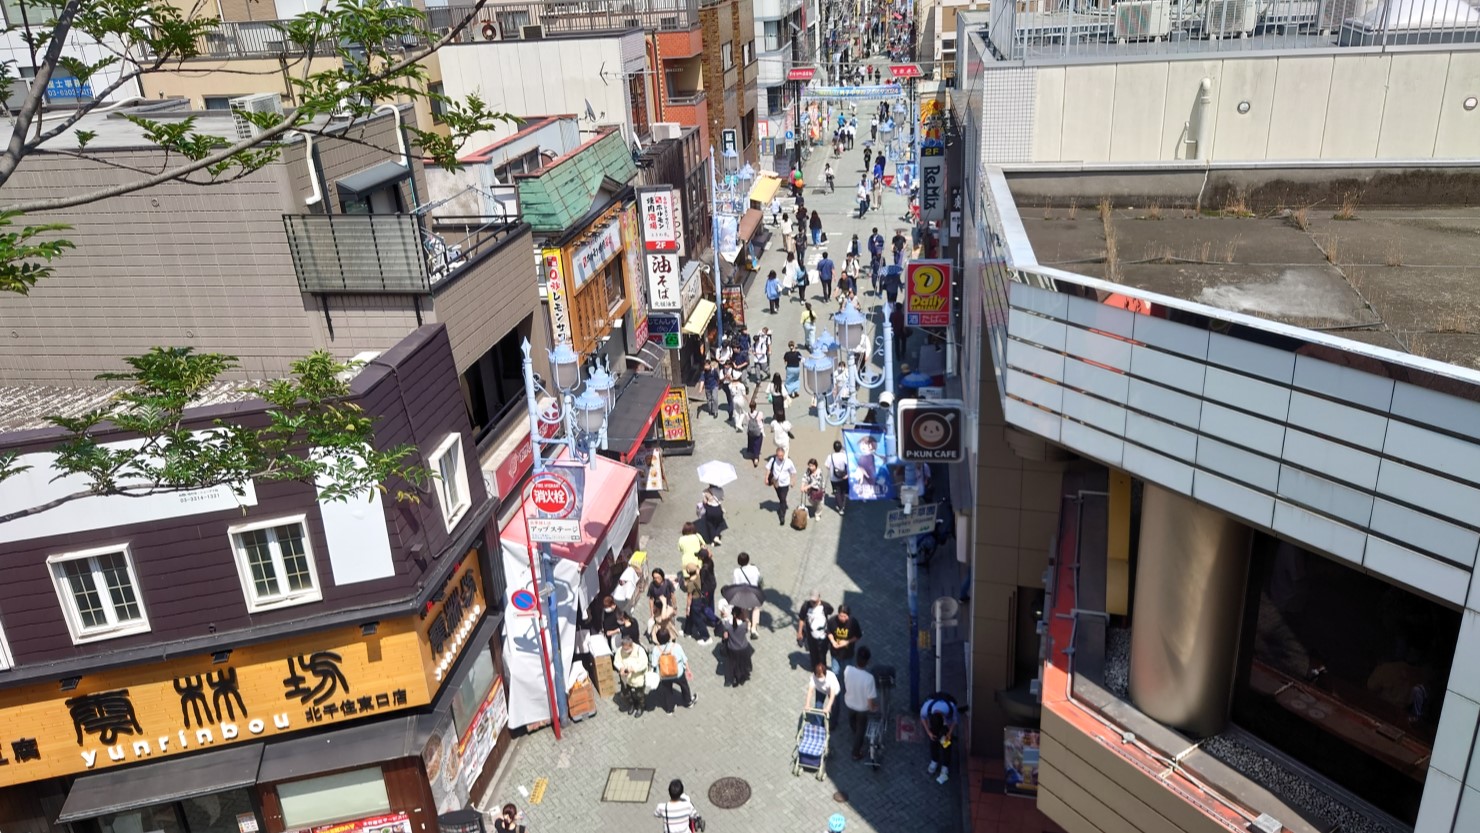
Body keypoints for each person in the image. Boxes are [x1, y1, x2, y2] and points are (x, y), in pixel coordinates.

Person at [844, 646, 879, 759]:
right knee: (861, 729)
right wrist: (874, 708)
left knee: (852, 721)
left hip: (849, 703)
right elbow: (870, 700)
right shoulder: (869, 678)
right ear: (867, 661)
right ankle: (856, 752)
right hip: (862, 709)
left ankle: (855, 732)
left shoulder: (847, 670)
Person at [651, 630, 697, 715]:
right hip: (678, 673)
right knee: (684, 686)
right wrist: (688, 670)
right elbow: (684, 659)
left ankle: (670, 709)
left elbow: (653, 664)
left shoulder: (655, 650)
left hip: (664, 675)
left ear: (658, 639)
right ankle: (688, 702)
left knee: (668, 691)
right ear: (669, 637)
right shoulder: (676, 646)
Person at [920, 691, 959, 784]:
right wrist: (929, 733)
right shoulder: (926, 708)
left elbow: (954, 721)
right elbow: (922, 718)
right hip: (936, 723)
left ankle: (945, 765)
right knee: (933, 739)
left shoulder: (951, 708)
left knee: (946, 743)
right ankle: (934, 760)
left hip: (946, 724)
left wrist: (949, 733)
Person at [612, 632, 649, 716]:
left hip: (637, 678)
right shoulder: (620, 651)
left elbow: (644, 663)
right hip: (626, 678)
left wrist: (633, 669)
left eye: (627, 650)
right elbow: (616, 661)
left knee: (639, 695)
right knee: (625, 694)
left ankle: (641, 707)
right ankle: (632, 704)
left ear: (631, 646)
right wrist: (620, 668)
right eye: (624, 649)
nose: (626, 652)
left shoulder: (640, 650)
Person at [797, 591, 835, 669]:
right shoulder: (805, 606)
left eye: (815, 601)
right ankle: (815, 669)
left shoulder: (825, 606)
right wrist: (800, 632)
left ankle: (823, 669)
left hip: (823, 636)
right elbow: (801, 618)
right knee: (813, 653)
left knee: (822, 654)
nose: (813, 603)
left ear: (819, 598)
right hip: (811, 637)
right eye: (812, 601)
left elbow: (831, 611)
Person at [717, 606, 753, 687]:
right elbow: (747, 630)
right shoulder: (744, 625)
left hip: (732, 648)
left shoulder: (727, 625)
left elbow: (725, 636)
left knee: (733, 664)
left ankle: (734, 678)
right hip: (743, 647)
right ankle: (742, 677)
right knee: (742, 663)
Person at [849, 433, 892, 499]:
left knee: (870, 487)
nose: (862, 446)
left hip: (872, 477)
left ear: (871, 446)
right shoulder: (860, 456)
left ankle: (869, 494)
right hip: (864, 477)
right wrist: (858, 468)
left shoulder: (874, 457)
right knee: (863, 485)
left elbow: (880, 464)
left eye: (864, 444)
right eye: (862, 444)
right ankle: (864, 494)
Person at [765, 446, 798, 525]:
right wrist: (766, 478)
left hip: (785, 484)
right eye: (779, 456)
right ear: (776, 455)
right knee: (780, 497)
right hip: (776, 483)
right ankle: (782, 505)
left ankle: (782, 515)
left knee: (783, 498)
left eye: (782, 456)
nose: (780, 457)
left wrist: (793, 481)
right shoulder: (773, 460)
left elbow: (793, 472)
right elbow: (768, 468)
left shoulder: (788, 462)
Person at [826, 604, 863, 675]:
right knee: (835, 672)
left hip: (848, 654)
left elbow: (858, 636)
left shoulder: (853, 622)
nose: (842, 618)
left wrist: (847, 642)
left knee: (848, 673)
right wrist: (832, 641)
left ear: (848, 615)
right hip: (835, 653)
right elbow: (828, 631)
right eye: (840, 616)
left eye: (845, 616)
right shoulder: (832, 620)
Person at [733, 552, 762, 634]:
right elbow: (759, 579)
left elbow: (735, 583)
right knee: (756, 608)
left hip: (743, 593)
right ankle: (754, 627)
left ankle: (748, 623)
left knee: (744, 609)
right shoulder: (754, 568)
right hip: (754, 591)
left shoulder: (736, 571)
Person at [826, 439, 850, 515]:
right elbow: (849, 465)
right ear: (840, 448)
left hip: (833, 478)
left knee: (837, 492)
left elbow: (827, 466)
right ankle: (842, 504)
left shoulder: (830, 456)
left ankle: (840, 507)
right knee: (843, 491)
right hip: (843, 477)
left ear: (834, 448)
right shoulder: (844, 456)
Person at [744, 400, 766, 467]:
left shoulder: (747, 414)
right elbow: (762, 420)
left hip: (750, 431)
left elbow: (747, 422)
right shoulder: (760, 413)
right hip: (758, 431)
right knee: (757, 444)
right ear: (755, 406)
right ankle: (756, 458)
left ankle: (751, 451)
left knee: (752, 442)